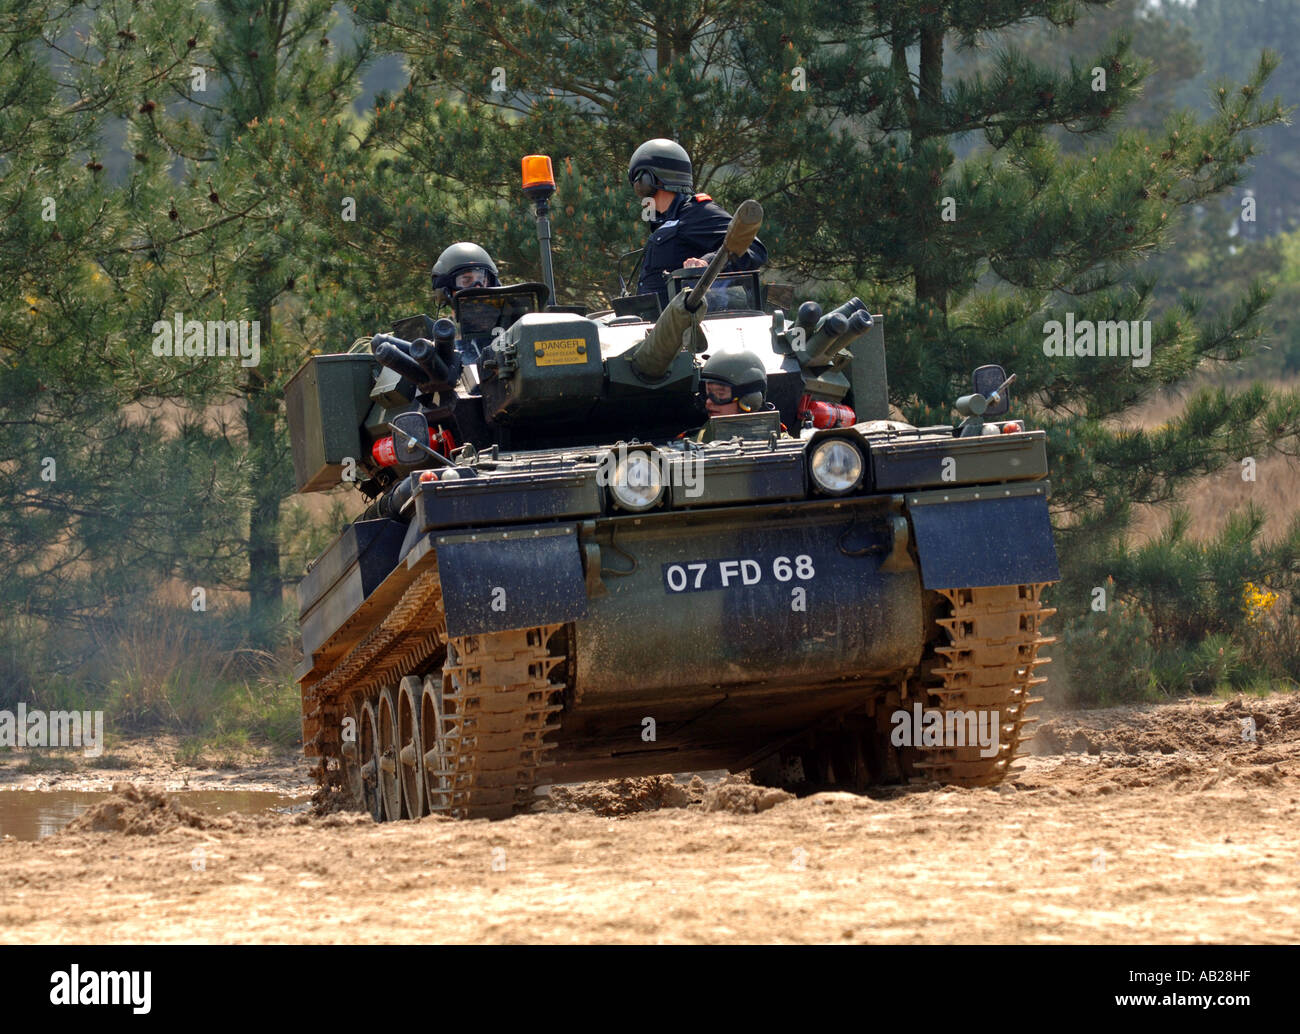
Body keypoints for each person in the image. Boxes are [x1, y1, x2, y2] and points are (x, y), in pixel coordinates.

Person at [628, 138, 767, 307]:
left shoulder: (697, 212)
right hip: (655, 324)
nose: (638, 187)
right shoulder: (666, 222)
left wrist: (707, 263)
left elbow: (753, 248)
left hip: (686, 327)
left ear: (650, 179)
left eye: (638, 179)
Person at [699, 350, 769, 418]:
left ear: (751, 400)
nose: (708, 402)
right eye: (707, 392)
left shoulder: (775, 429)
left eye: (720, 394)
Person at [431, 242, 500, 305]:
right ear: (445, 292)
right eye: (466, 281)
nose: (477, 287)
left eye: (483, 281)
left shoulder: (506, 317)